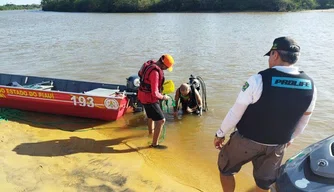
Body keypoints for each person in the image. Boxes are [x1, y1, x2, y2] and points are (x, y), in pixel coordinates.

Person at [213, 37, 317, 192]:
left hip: (246, 141)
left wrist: (220, 133)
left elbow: (236, 111)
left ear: (275, 54)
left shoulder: (258, 80)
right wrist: (290, 138)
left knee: (226, 168)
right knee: (264, 184)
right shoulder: (311, 86)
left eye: (270, 55)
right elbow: (303, 121)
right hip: (277, 146)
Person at [138, 54, 174, 148]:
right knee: (161, 120)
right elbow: (155, 93)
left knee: (150, 116)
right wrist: (163, 97)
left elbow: (140, 74)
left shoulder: (150, 64)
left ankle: (150, 133)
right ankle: (155, 144)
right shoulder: (155, 73)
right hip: (149, 99)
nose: (166, 69)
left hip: (142, 95)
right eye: (166, 68)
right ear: (163, 65)